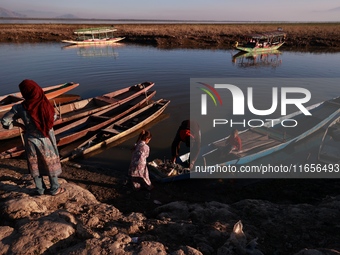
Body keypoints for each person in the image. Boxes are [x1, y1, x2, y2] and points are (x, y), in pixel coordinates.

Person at [1, 79, 65, 196]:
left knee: (35, 164)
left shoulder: (19, 108)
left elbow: (5, 121)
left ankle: (40, 190)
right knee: (50, 162)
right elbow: (54, 118)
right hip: (47, 139)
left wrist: (20, 125)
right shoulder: (45, 104)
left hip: (31, 139)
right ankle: (54, 189)